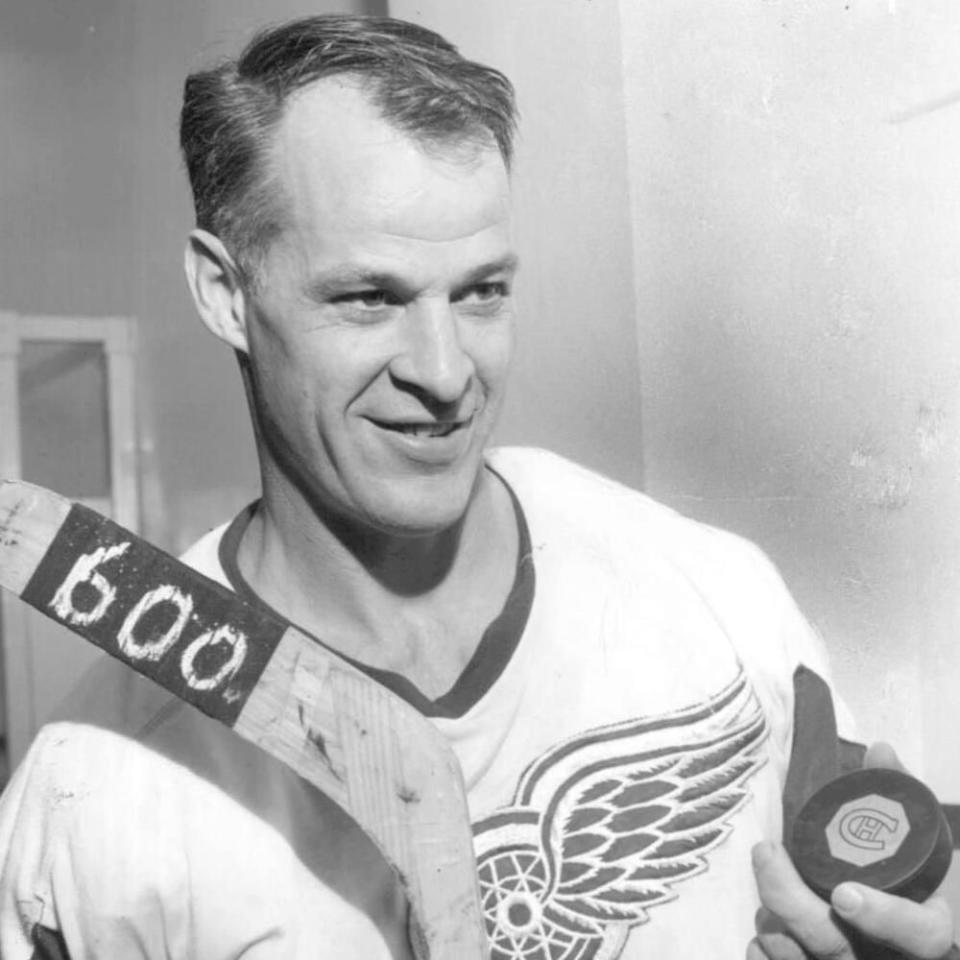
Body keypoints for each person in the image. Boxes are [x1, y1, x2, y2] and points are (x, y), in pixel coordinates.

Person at [0, 13, 953, 960]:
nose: (446, 372)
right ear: (225, 293)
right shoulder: (95, 792)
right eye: (370, 297)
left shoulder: (713, 597)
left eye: (481, 290)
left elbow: (873, 880)